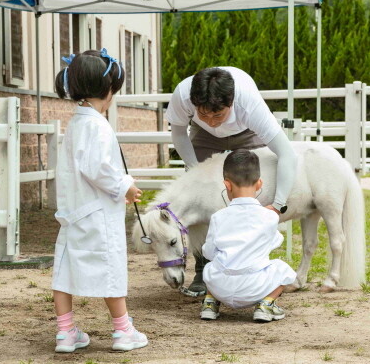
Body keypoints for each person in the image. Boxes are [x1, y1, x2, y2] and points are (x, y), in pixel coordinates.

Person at [166, 67, 297, 293]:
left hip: (246, 132)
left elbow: (287, 153)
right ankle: (202, 269)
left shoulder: (249, 104)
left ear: (231, 102)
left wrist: (277, 206)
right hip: (203, 135)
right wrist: (195, 170)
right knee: (198, 199)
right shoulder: (182, 95)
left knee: (248, 193)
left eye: (218, 115)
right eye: (204, 113)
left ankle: (254, 267)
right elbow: (178, 133)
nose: (213, 120)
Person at [51, 49, 148, 353]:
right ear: (109, 91)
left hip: (73, 211)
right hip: (97, 214)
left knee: (64, 271)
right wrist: (125, 187)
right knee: (110, 269)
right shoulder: (98, 126)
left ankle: (65, 332)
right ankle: (123, 331)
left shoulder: (77, 123)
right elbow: (98, 168)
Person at [199, 149, 297, 322]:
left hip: (220, 287)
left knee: (212, 263)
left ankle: (210, 303)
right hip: (254, 289)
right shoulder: (269, 216)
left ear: (227, 185)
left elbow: (208, 252)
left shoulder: (218, 217)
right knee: (282, 268)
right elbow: (274, 242)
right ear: (259, 184)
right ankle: (266, 304)